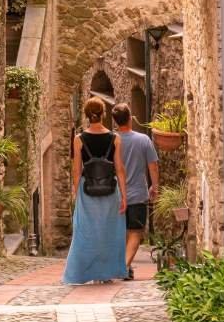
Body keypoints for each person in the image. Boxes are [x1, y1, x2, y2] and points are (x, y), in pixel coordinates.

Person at [62, 96, 128, 284]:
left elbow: (76, 170)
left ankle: (86, 273)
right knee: (109, 231)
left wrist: (77, 193)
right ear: (103, 114)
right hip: (110, 191)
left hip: (87, 190)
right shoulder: (115, 138)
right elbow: (120, 169)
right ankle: (106, 272)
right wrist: (124, 195)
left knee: (86, 232)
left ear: (86, 115)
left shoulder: (78, 139)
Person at [112, 103, 159, 279]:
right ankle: (124, 266)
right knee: (135, 232)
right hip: (138, 195)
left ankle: (125, 266)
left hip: (115, 195)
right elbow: (153, 167)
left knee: (119, 232)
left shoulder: (111, 140)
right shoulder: (143, 140)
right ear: (130, 118)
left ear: (115, 121)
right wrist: (155, 186)